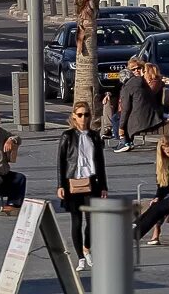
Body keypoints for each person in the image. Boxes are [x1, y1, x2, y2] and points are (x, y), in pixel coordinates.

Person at [56, 102, 108, 272]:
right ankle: (80, 257)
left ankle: (87, 248)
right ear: (73, 116)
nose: (83, 118)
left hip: (91, 181)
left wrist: (104, 186)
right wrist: (60, 185)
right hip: (73, 183)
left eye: (86, 114)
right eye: (79, 115)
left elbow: (100, 163)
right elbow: (61, 163)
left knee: (92, 221)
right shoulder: (67, 136)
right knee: (76, 221)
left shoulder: (94, 136)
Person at [134, 136, 169, 245]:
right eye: (168, 152)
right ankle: (135, 228)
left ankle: (145, 231)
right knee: (157, 203)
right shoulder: (164, 165)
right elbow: (163, 186)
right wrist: (157, 196)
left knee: (160, 206)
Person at [116, 58, 166, 152]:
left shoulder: (143, 83)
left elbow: (128, 106)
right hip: (147, 112)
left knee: (121, 118)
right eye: (133, 69)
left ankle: (124, 141)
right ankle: (124, 141)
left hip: (149, 114)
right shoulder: (140, 82)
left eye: (138, 68)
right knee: (119, 117)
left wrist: (121, 128)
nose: (136, 71)